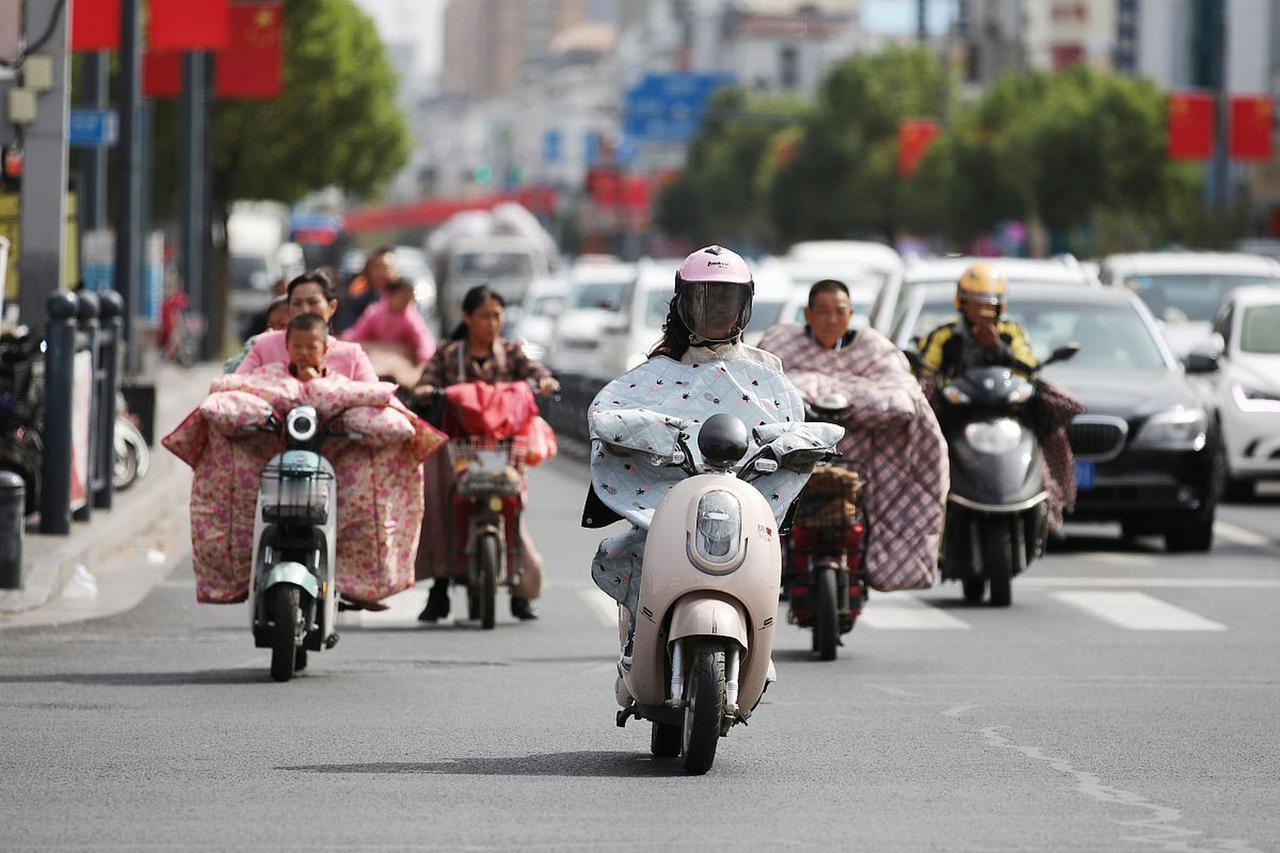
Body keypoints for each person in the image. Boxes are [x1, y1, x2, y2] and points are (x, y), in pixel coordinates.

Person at [586, 245, 797, 672]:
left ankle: (757, 641)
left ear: (745, 306)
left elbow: (789, 425)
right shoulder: (657, 371)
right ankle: (636, 637)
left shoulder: (767, 372)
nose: (716, 308)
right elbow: (611, 413)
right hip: (668, 503)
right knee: (638, 550)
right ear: (683, 303)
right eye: (704, 297)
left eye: (727, 298)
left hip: (740, 502)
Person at [758, 279, 948, 593]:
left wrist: (850, 401)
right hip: (800, 455)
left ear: (850, 314)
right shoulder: (781, 343)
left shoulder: (874, 347)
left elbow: (899, 390)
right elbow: (762, 383)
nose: (831, 320)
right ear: (807, 314)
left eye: (840, 312)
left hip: (865, 460)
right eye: (822, 311)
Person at [414, 285, 558, 623]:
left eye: (497, 315)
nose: (491, 323)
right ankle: (439, 588)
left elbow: (538, 374)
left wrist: (546, 381)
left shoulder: (512, 353)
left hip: (504, 451)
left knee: (513, 508)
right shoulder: (448, 355)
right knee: (443, 510)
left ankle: (520, 589)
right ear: (467, 317)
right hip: (458, 450)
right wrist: (424, 391)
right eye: (484, 315)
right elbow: (427, 382)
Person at [235, 271, 378, 382]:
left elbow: (375, 393)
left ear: (332, 307)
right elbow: (235, 386)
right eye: (297, 304)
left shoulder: (351, 354)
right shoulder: (264, 346)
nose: (305, 310)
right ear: (289, 308)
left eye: (313, 302)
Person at [916, 262, 1038, 380]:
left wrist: (997, 348)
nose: (982, 309)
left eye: (989, 304)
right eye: (976, 302)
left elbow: (1031, 368)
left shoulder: (1013, 331)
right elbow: (924, 376)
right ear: (963, 303)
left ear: (1000, 306)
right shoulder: (943, 335)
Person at [339, 276, 436, 384]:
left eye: (408, 298)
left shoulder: (411, 317)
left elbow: (424, 344)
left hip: (401, 367)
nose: (405, 301)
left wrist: (423, 363)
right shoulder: (374, 313)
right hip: (374, 362)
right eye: (403, 297)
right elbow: (356, 335)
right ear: (391, 295)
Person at [337, 246, 398, 332]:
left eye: (385, 268)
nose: (381, 272)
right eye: (377, 267)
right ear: (369, 270)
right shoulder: (359, 298)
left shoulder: (403, 298)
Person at [223, 295, 289, 374]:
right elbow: (231, 369)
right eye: (271, 326)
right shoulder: (259, 343)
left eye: (282, 325)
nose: (274, 331)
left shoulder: (301, 349)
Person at [284, 312, 329, 382]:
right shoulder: (269, 376)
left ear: (324, 350)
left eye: (311, 347)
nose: (303, 352)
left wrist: (315, 383)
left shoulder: (338, 385)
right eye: (297, 346)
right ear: (287, 346)